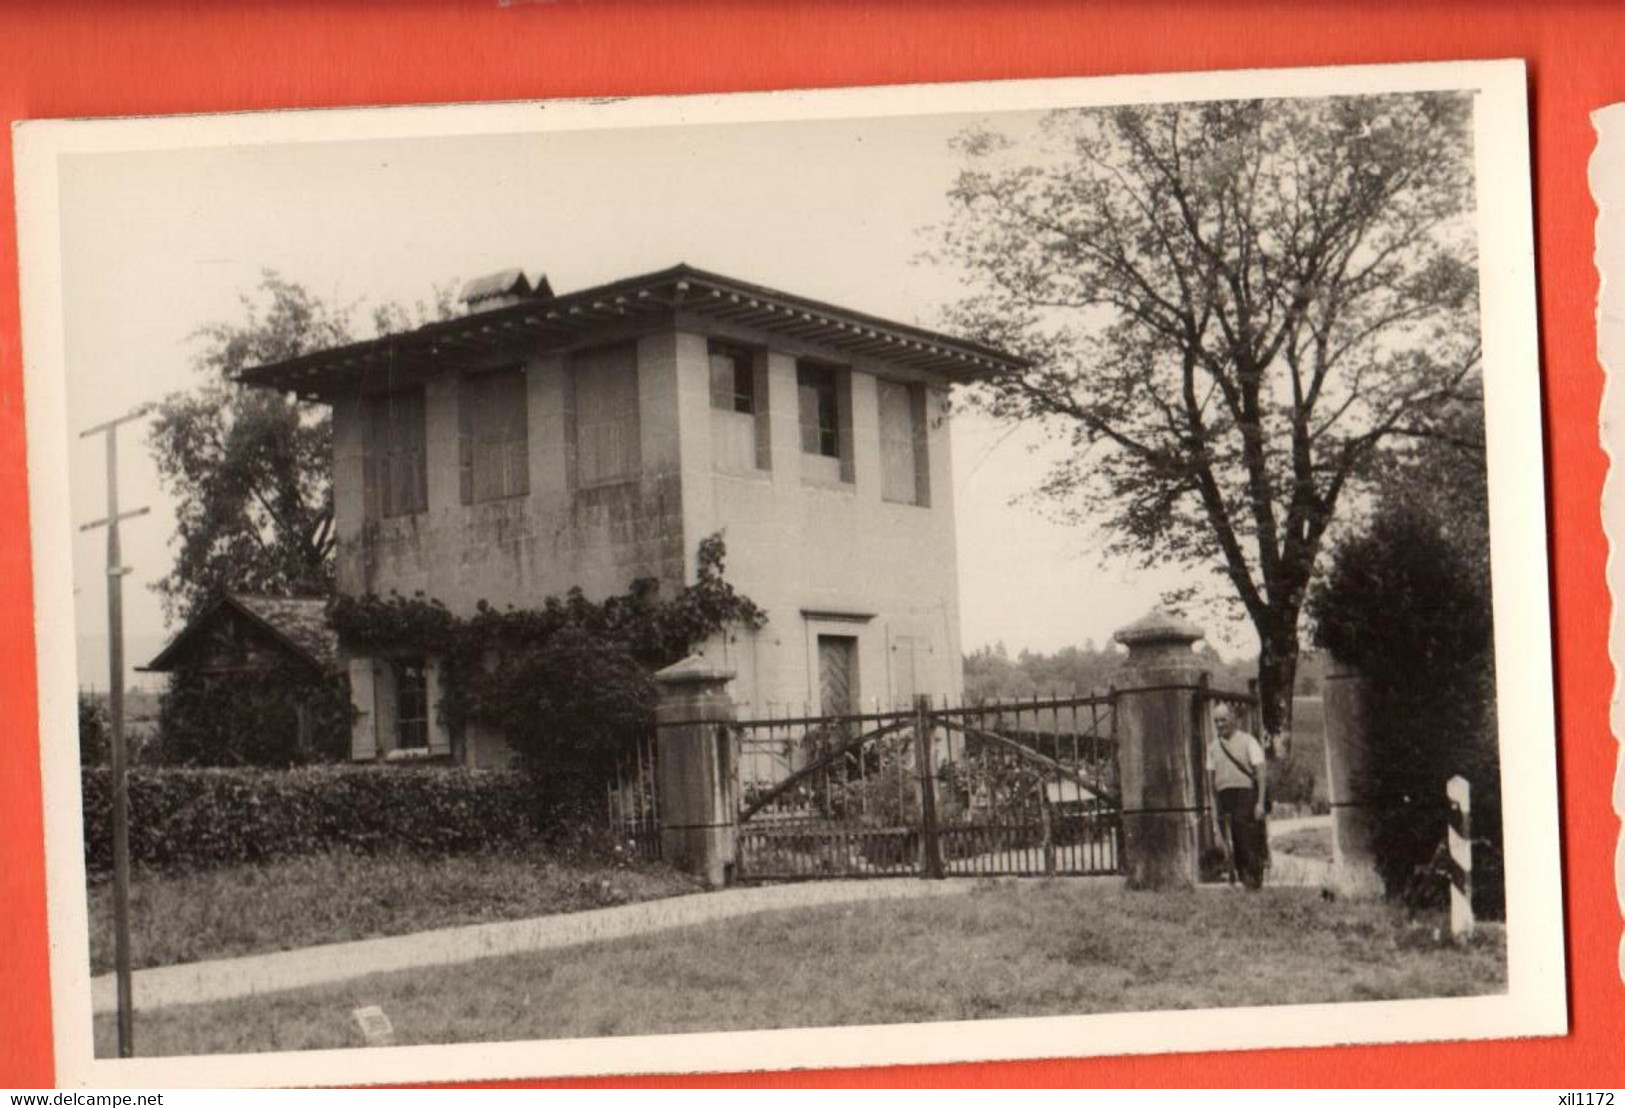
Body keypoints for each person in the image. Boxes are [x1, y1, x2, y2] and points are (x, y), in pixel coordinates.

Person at [1206, 704, 1268, 889]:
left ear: (1232, 718)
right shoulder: (1213, 747)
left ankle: (1253, 881)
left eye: (1223, 719)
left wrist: (1260, 803)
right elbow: (1211, 779)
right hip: (1225, 796)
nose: (1220, 724)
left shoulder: (1248, 741)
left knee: (1246, 836)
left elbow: (1261, 773)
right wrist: (1214, 804)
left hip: (1245, 793)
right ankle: (1243, 879)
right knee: (1232, 837)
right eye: (1216, 721)